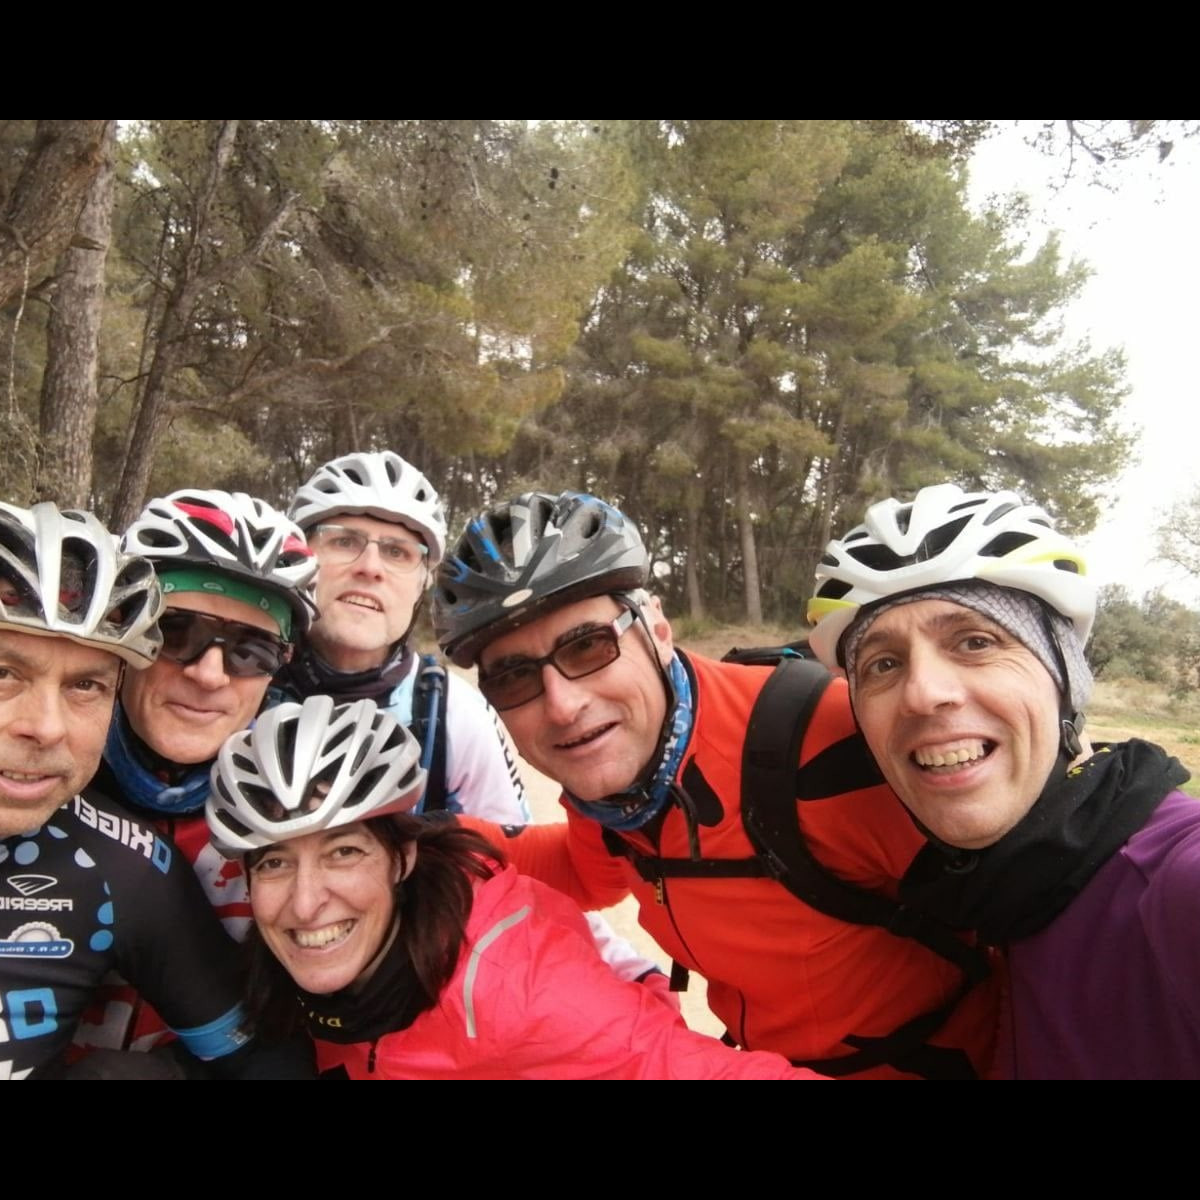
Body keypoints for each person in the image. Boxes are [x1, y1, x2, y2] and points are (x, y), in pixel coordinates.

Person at [433, 491, 1001, 1079]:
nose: (563, 705)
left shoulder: (824, 744)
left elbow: (1031, 925)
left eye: (588, 646)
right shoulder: (613, 788)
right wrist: (412, 836)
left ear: (656, 628)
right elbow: (584, 873)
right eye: (514, 678)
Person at [207, 694, 823, 1079]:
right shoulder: (282, 960)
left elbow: (685, 1069)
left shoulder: (515, 992)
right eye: (275, 863)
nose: (306, 902)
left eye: (344, 852)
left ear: (402, 859)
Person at [806, 483, 1200, 1079]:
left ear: (1066, 676)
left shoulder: (1173, 882)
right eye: (883, 664)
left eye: (975, 641)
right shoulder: (991, 899)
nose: (923, 693)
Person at [281, 450, 667, 994]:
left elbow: (516, 880)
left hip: (398, 998)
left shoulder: (451, 711)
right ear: (302, 557)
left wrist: (628, 975)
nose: (370, 566)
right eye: (343, 541)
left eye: (398, 551)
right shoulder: (233, 682)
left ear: (422, 582)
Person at [0, 500, 258, 1079]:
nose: (47, 727)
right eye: (4, 673)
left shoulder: (122, 866)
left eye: (85, 685)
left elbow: (261, 1057)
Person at [71, 488, 318, 1057]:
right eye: (174, 631)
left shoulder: (306, 814)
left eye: (252, 650)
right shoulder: (34, 777)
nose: (209, 674)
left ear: (278, 669)